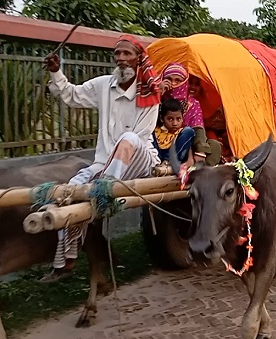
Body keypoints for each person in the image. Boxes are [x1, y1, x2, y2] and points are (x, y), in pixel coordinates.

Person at [40, 35, 161, 282]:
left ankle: (104, 191)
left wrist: (104, 182)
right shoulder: (103, 85)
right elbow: (71, 95)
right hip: (105, 164)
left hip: (140, 162)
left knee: (128, 138)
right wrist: (56, 72)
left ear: (138, 59)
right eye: (117, 54)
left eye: (127, 54)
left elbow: (140, 136)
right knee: (70, 190)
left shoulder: (149, 91)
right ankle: (65, 261)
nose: (121, 59)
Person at [158, 63, 214, 166]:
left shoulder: (192, 104)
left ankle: (199, 172)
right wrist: (158, 93)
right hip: (160, 144)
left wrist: (200, 151)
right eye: (169, 79)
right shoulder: (157, 99)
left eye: (177, 80)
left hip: (185, 146)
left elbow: (198, 128)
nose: (173, 84)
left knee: (213, 145)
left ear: (184, 83)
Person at [153, 98, 195, 170]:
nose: (175, 123)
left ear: (182, 118)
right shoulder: (155, 132)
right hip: (157, 160)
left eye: (178, 119)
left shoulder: (183, 133)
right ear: (161, 118)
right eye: (170, 119)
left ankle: (167, 162)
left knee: (189, 131)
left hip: (175, 160)